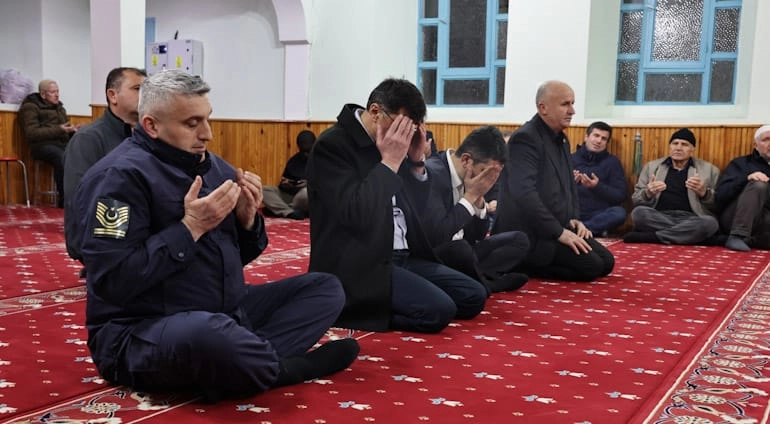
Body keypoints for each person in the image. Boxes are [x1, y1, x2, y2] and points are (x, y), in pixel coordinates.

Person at [73, 70, 359, 401]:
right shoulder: (119, 178)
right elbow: (112, 281)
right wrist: (189, 228)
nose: (207, 134)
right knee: (210, 336)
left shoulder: (213, 168)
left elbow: (234, 259)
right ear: (151, 125)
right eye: (192, 123)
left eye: (207, 119)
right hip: (143, 328)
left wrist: (248, 223)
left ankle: (245, 361)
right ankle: (282, 368)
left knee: (325, 289)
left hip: (224, 312)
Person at [306, 77, 487, 333]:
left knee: (473, 295)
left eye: (410, 130)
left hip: (403, 255)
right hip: (360, 262)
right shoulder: (333, 145)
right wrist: (390, 162)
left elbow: (418, 209)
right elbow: (356, 213)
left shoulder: (395, 143)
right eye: (401, 127)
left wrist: (416, 162)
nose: (404, 137)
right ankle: (355, 310)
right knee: (439, 310)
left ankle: (385, 304)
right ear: (375, 112)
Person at [491, 80, 615, 282]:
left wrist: (574, 218)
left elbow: (569, 185)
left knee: (606, 262)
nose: (572, 111)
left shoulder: (561, 139)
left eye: (572, 103)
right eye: (565, 104)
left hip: (557, 225)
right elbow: (524, 194)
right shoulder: (525, 139)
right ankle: (522, 263)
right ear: (543, 108)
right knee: (592, 266)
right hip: (531, 232)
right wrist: (559, 233)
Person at [414, 125, 530, 293]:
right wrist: (469, 197)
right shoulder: (433, 174)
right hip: (437, 254)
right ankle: (487, 284)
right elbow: (437, 236)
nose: (488, 180)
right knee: (460, 250)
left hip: (465, 251)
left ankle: (474, 278)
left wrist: (479, 201)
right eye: (485, 172)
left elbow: (478, 236)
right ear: (466, 160)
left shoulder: (471, 175)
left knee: (519, 240)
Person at [63, 67, 147, 272]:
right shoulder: (89, 139)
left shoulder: (149, 136)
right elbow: (79, 201)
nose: (146, 95)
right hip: (107, 240)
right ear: (113, 95)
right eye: (137, 88)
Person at [625, 128, 720, 245]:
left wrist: (704, 194)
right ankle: (691, 236)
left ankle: (655, 237)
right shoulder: (652, 167)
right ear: (670, 147)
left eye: (684, 144)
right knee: (638, 213)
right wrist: (648, 193)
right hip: (660, 216)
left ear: (692, 149)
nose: (678, 148)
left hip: (692, 218)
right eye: (675, 143)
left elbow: (717, 205)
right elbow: (636, 200)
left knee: (710, 223)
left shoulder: (710, 170)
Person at [18, 79, 78, 207]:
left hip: (61, 143)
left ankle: (81, 197)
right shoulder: (30, 107)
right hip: (41, 145)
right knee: (61, 156)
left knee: (82, 153)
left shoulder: (60, 108)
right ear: (43, 94)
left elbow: (64, 129)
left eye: (57, 91)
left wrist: (74, 131)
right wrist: (60, 129)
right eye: (53, 92)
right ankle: (65, 200)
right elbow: (32, 133)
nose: (57, 95)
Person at [715, 125, 770, 251]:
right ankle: (737, 236)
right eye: (766, 139)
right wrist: (746, 179)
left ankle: (749, 240)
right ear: (755, 145)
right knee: (759, 184)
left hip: (763, 219)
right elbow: (720, 196)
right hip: (734, 218)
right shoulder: (740, 164)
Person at [571, 121, 627, 236]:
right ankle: (590, 231)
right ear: (586, 137)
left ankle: (581, 230)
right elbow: (553, 191)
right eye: (596, 135)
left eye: (604, 138)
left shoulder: (613, 162)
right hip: (573, 212)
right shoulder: (569, 159)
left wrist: (597, 186)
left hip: (598, 214)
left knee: (619, 213)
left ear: (606, 143)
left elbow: (620, 195)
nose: (598, 141)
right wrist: (570, 183)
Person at [261, 130, 315, 219]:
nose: (306, 154)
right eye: (303, 151)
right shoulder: (293, 161)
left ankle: (279, 210)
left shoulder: (322, 160)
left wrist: (309, 184)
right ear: (298, 147)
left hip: (309, 198)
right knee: (263, 190)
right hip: (291, 196)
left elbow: (327, 185)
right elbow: (282, 184)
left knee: (306, 193)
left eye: (308, 151)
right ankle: (289, 212)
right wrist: (286, 185)